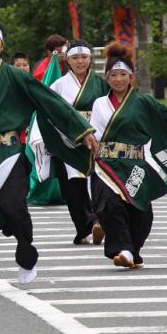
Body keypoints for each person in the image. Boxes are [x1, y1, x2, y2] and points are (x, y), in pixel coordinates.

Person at [0, 18, 98, 295]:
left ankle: (26, 253)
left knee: (16, 210)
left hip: (9, 154)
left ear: (2, 44)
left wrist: (82, 130)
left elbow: (51, 102)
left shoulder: (16, 76)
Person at [89, 43, 167, 269]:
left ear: (131, 77)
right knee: (110, 204)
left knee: (140, 210)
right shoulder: (99, 103)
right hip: (105, 165)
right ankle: (124, 250)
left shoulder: (144, 102)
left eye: (123, 74)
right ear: (107, 78)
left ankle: (132, 251)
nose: (118, 79)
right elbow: (92, 134)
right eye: (113, 75)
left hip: (135, 164)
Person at [31, 40, 108, 244]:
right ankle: (84, 227)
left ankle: (99, 222)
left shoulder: (101, 84)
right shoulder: (59, 85)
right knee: (73, 188)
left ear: (90, 59)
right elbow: (49, 113)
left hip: (96, 139)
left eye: (84, 57)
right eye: (75, 58)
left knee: (99, 183)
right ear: (67, 60)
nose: (80, 62)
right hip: (68, 142)